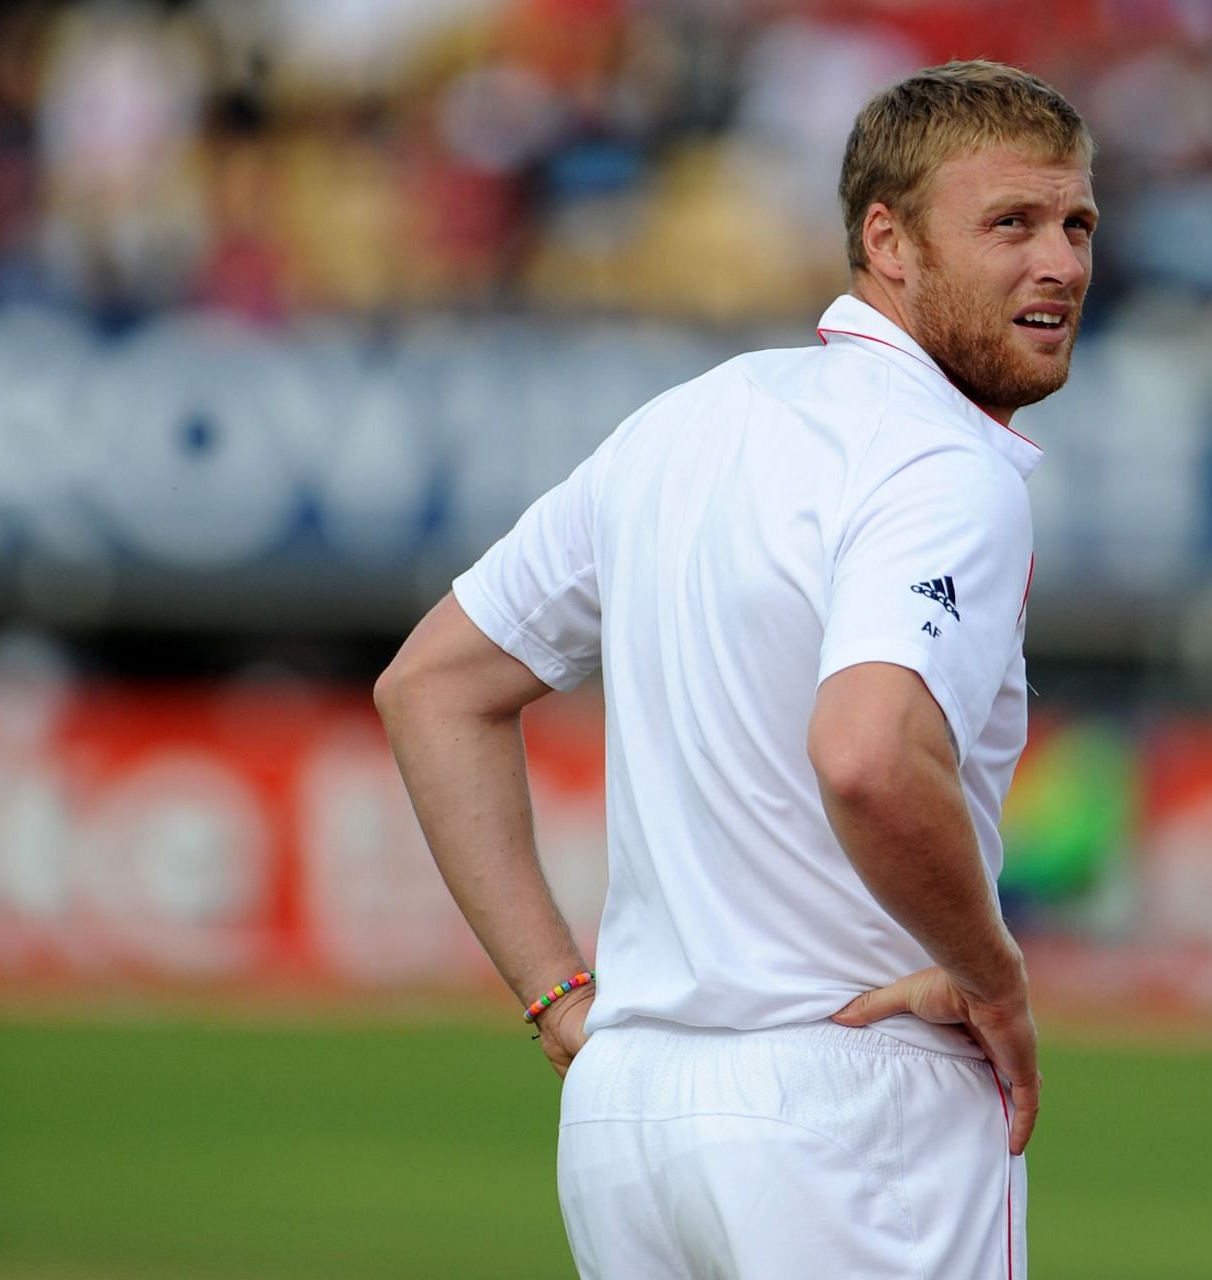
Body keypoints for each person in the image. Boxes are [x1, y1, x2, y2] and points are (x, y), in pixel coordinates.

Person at [375, 59, 1096, 1278]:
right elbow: (866, 753)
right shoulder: (941, 464)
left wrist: (560, 998)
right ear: (888, 241)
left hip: (630, 1114)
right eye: (1011, 223)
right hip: (856, 1101)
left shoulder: (685, 421)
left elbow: (432, 684)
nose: (1063, 263)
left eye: (1077, 223)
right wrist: (995, 973)